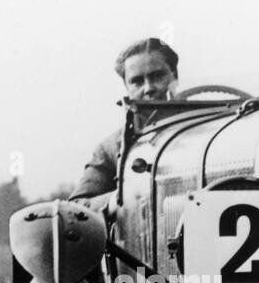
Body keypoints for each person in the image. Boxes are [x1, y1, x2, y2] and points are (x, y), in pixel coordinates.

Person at [71, 37, 180, 202]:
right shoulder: (112, 148)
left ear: (174, 76)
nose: (148, 88)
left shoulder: (213, 130)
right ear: (127, 88)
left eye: (157, 76)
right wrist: (126, 196)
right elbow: (79, 207)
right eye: (137, 82)